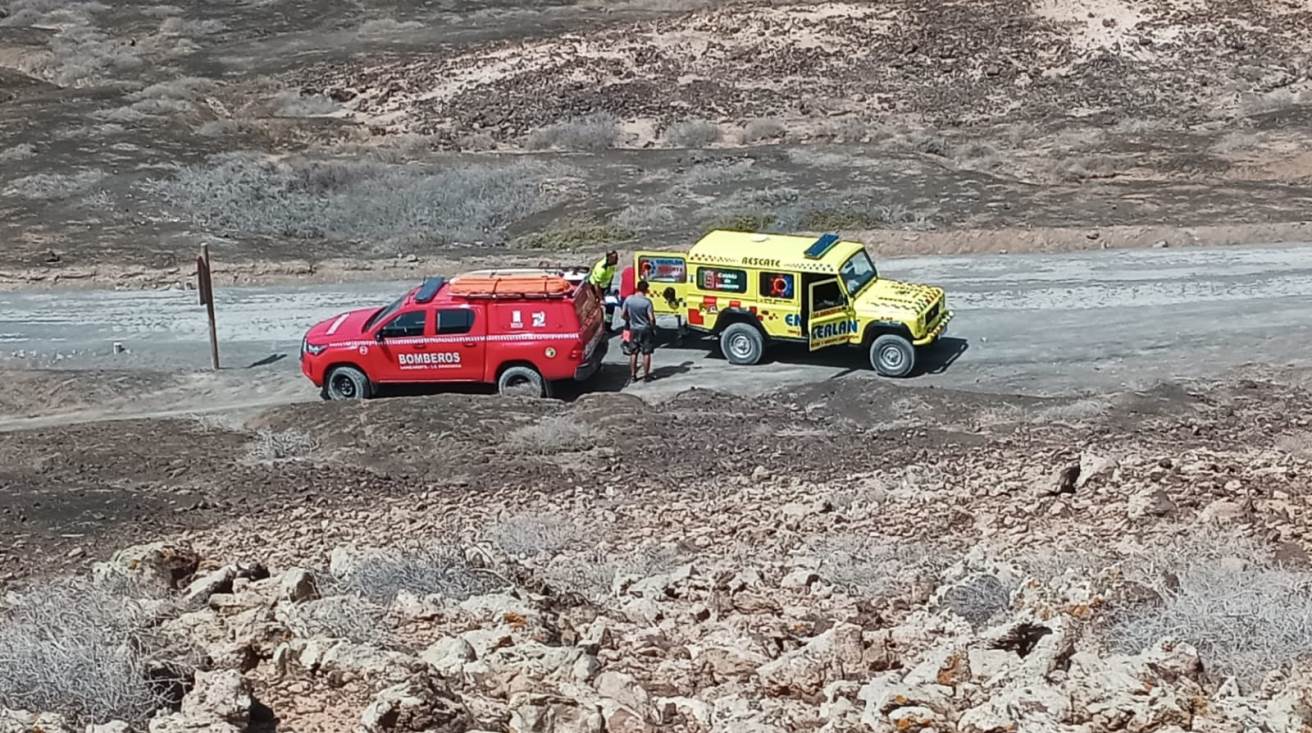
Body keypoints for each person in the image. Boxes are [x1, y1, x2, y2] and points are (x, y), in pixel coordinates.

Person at [621, 279, 657, 383]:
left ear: (637, 288)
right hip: (645, 329)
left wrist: (629, 320)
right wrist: (653, 327)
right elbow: (651, 318)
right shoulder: (647, 302)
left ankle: (633, 376)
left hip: (634, 329)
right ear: (646, 290)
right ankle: (646, 376)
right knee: (646, 353)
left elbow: (623, 314)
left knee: (633, 353)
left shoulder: (629, 300)